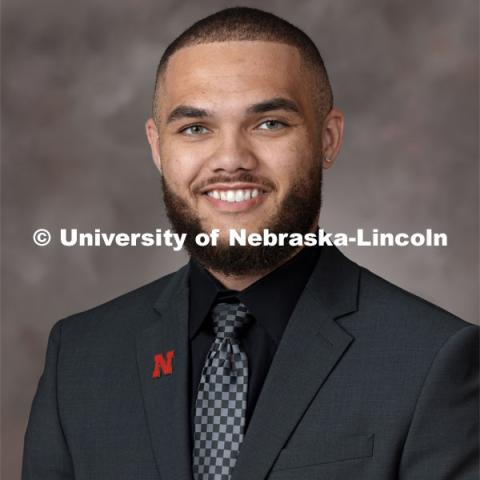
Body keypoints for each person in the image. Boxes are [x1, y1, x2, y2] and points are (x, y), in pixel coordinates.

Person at [22, 7, 478, 480]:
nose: (231, 160)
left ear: (328, 138)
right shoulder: (78, 359)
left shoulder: (432, 361)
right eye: (195, 128)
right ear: (159, 148)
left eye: (269, 123)